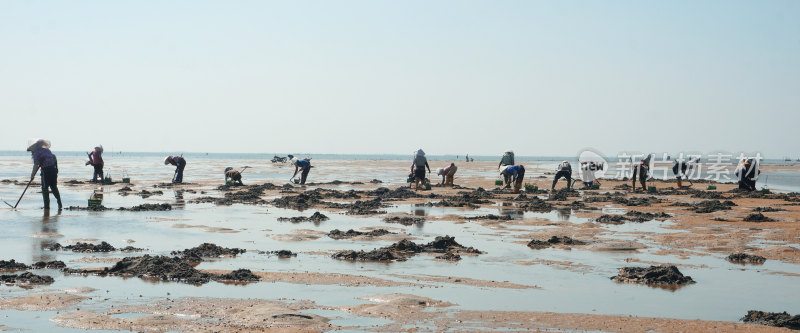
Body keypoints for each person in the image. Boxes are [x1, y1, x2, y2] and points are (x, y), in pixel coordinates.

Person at [27, 139, 62, 211]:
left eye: (31, 151)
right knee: (54, 186)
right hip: (53, 170)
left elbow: (36, 165)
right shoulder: (47, 150)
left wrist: (32, 175)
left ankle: (46, 207)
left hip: (46, 172)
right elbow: (53, 159)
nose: (31, 152)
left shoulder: (37, 153)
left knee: (45, 188)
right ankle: (59, 203)